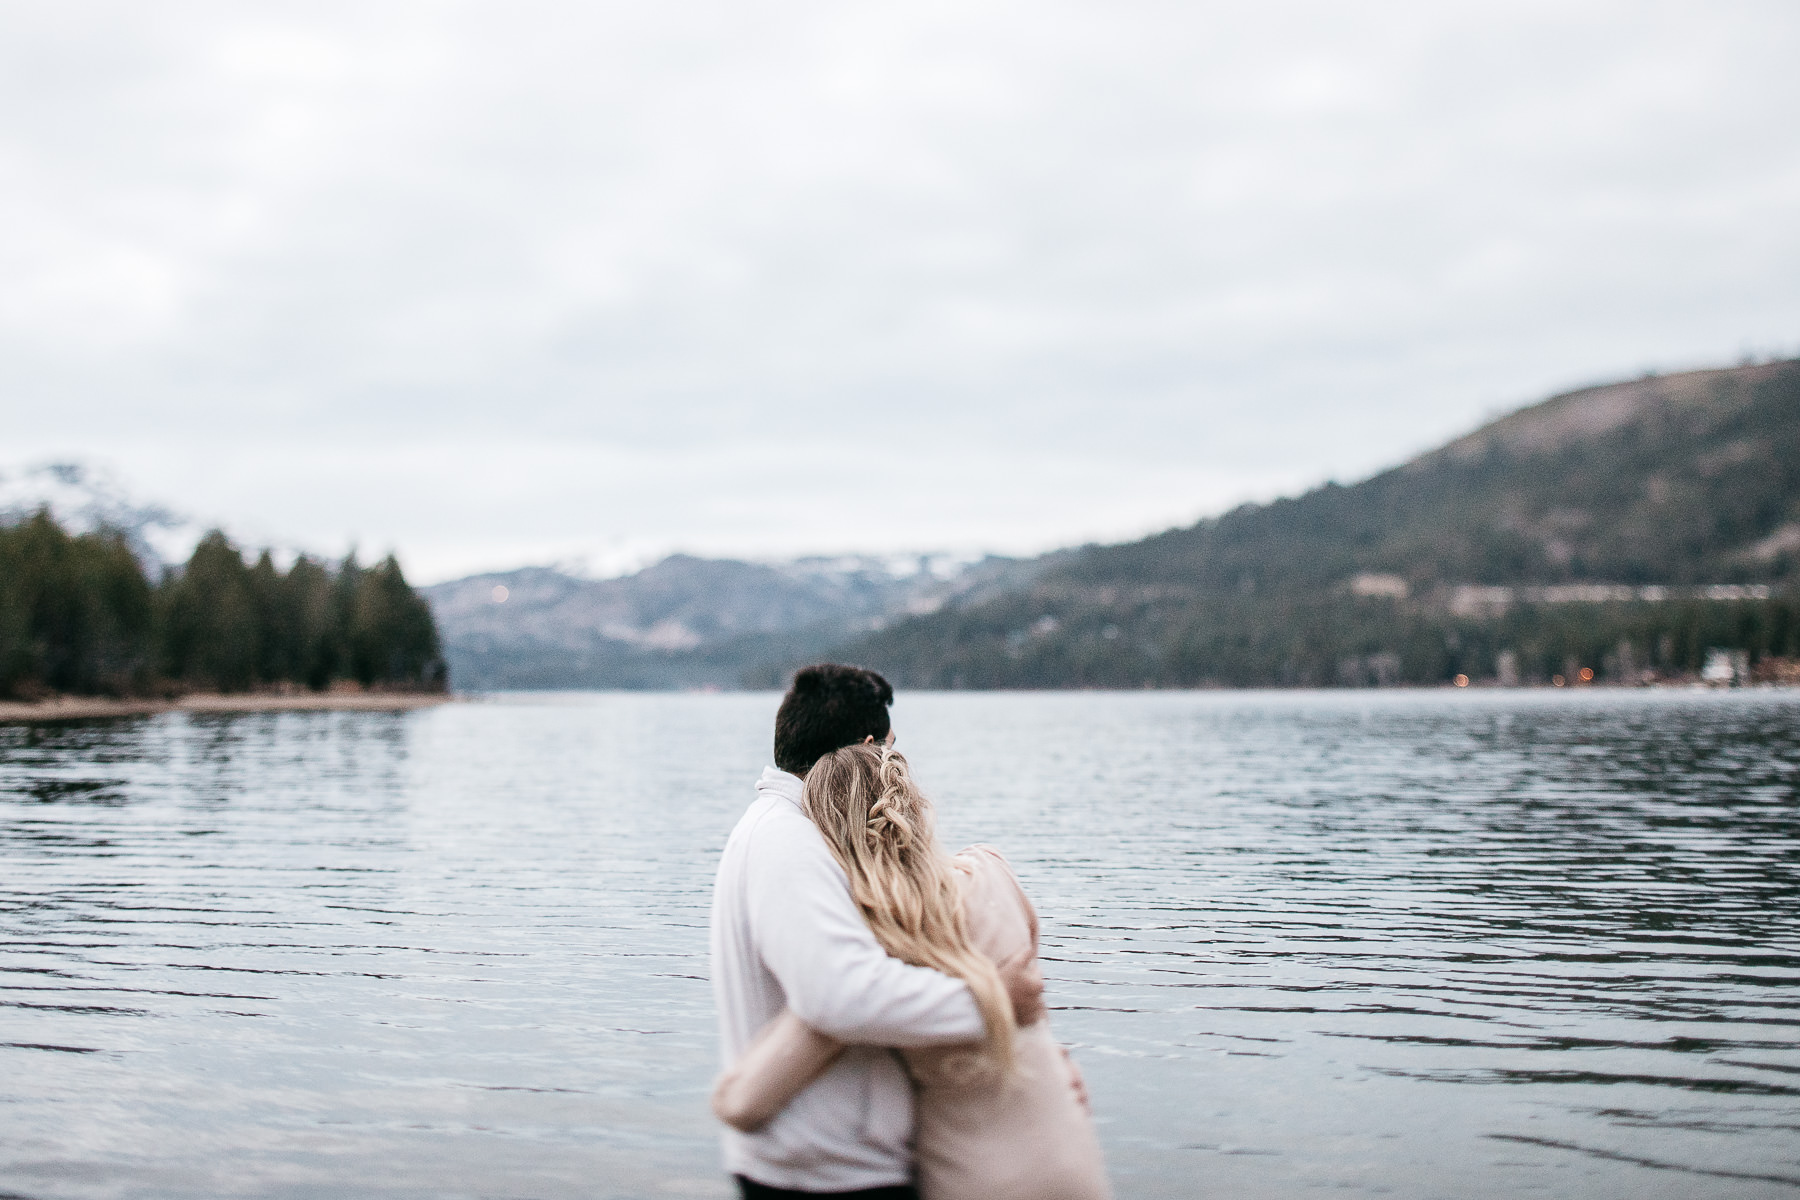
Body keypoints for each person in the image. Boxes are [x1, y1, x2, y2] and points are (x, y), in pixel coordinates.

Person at [712, 741, 1111, 1200]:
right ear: (912, 801)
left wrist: (728, 1101)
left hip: (969, 1176)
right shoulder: (991, 870)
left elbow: (747, 1099)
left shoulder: (887, 941)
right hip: (1066, 1149)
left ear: (831, 839)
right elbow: (1033, 997)